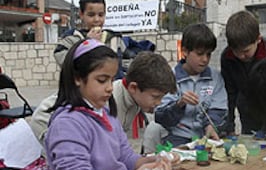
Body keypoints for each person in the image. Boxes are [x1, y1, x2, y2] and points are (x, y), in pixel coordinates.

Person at [44, 38, 201, 170]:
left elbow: (125, 156)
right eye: (102, 80)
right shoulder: (68, 123)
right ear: (77, 78)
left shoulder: (103, 111)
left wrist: (156, 159)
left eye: (111, 79)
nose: (110, 87)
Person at [30, 50, 175, 154]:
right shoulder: (107, 101)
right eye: (155, 97)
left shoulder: (133, 101)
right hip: (45, 122)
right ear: (133, 88)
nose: (158, 102)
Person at [154, 23, 228, 147]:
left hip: (206, 137)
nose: (205, 59)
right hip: (177, 137)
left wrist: (210, 126)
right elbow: (161, 117)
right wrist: (179, 104)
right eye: (200, 54)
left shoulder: (215, 78)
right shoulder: (170, 78)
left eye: (208, 54)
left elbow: (219, 109)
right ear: (185, 51)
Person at [220, 10, 266, 136]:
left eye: (246, 51)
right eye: (236, 51)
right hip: (246, 110)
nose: (241, 56)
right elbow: (230, 93)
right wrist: (229, 126)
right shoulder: (227, 57)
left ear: (258, 39)